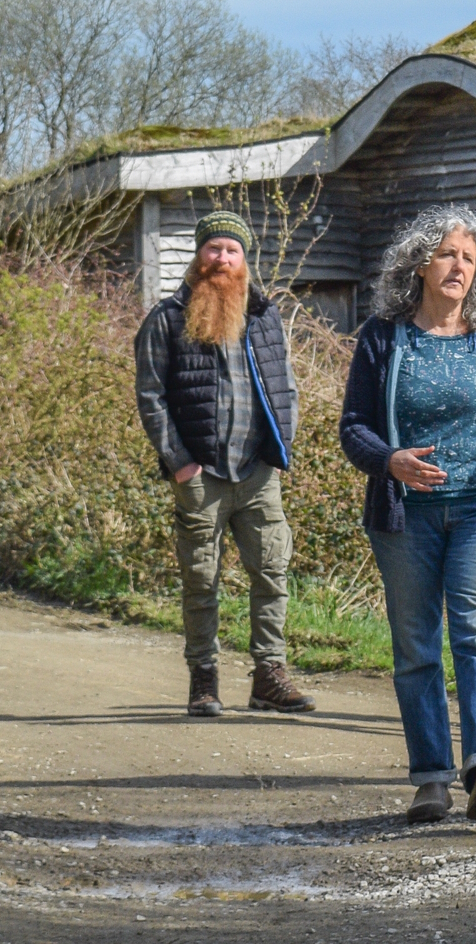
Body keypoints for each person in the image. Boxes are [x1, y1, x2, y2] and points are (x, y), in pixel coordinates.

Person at [337, 205, 476, 825]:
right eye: (448, 254)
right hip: (405, 515)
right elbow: (353, 429)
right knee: (417, 645)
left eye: (470, 259)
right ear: (420, 262)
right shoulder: (383, 336)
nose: (459, 266)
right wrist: (390, 460)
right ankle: (430, 779)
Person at [133, 210, 316, 719]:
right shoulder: (166, 319)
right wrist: (178, 463)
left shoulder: (264, 316)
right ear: (198, 256)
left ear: (244, 260)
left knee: (272, 572)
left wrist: (281, 449)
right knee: (200, 578)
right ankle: (204, 678)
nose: (222, 258)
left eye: (231, 251)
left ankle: (269, 676)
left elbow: (286, 387)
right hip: (200, 475)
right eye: (213, 249)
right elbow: (151, 397)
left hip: (258, 472)